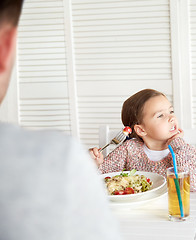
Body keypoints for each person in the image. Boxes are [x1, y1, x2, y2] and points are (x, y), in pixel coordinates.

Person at [0, 1, 122, 239]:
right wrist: (91, 167)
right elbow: (110, 175)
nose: (171, 118)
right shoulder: (56, 159)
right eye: (161, 114)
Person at [89, 89, 196, 192]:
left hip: (172, 208)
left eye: (171, 111)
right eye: (160, 115)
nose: (172, 117)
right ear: (141, 130)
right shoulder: (129, 149)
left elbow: (195, 184)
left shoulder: (183, 150)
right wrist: (95, 164)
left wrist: (177, 144)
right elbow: (103, 179)